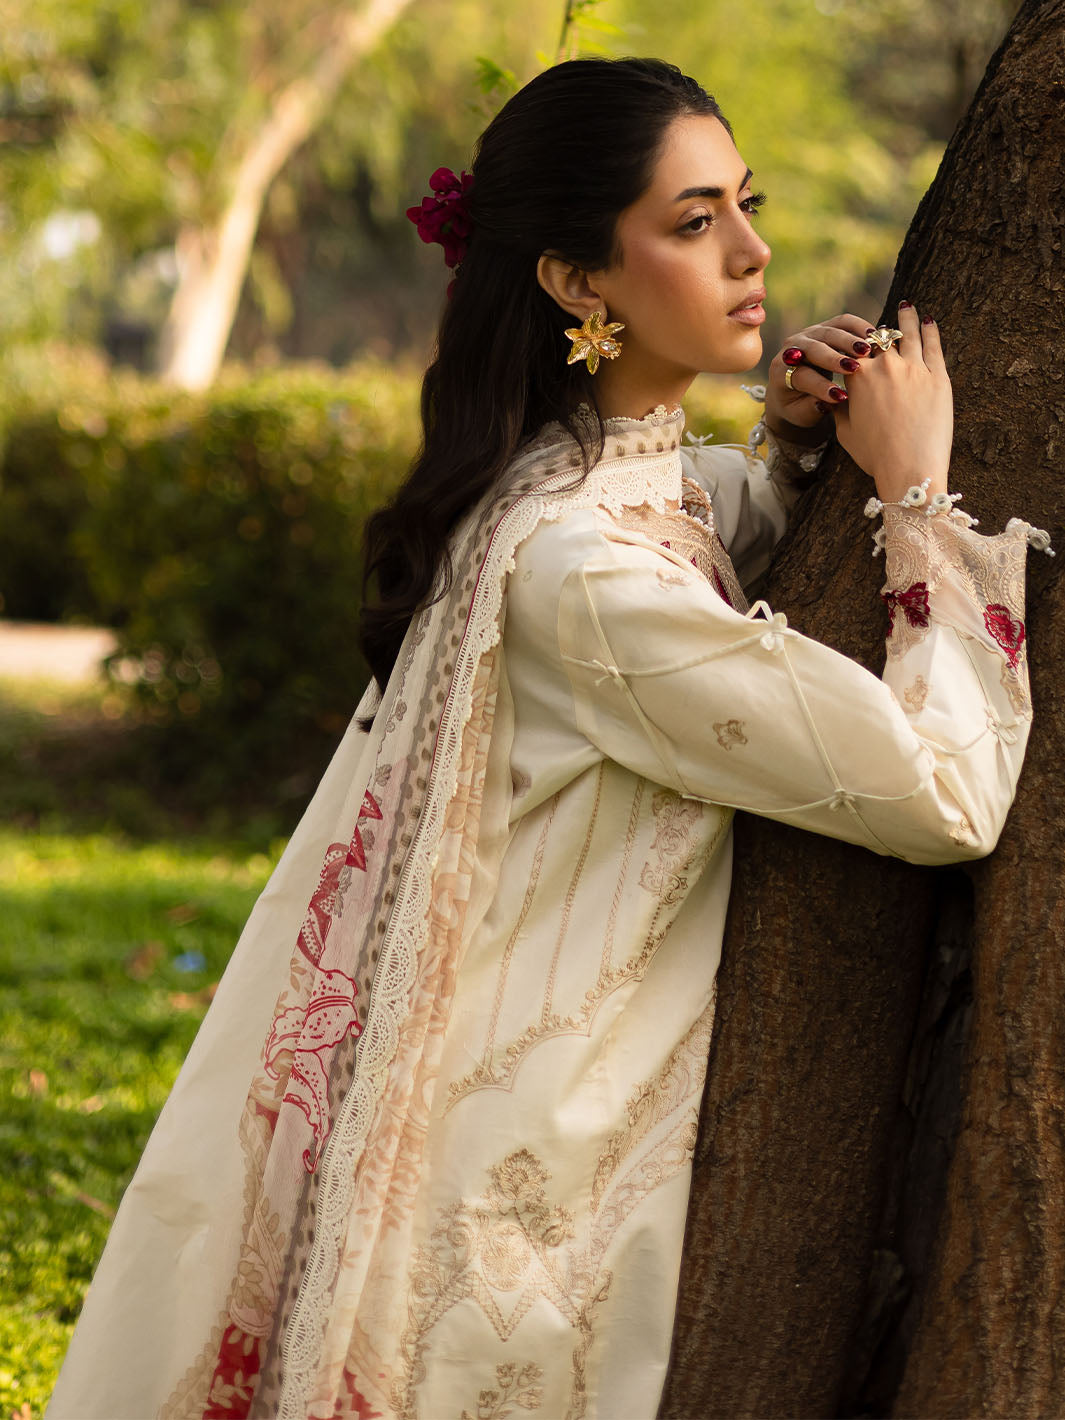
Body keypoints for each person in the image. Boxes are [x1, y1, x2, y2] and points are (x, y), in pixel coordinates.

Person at [49, 57, 1048, 1420]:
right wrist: (919, 494)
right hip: (526, 1202)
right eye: (693, 222)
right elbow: (943, 794)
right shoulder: (581, 571)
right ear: (578, 282)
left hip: (510, 1125)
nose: (751, 253)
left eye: (743, 205)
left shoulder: (561, 482)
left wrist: (798, 456)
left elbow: (695, 536)